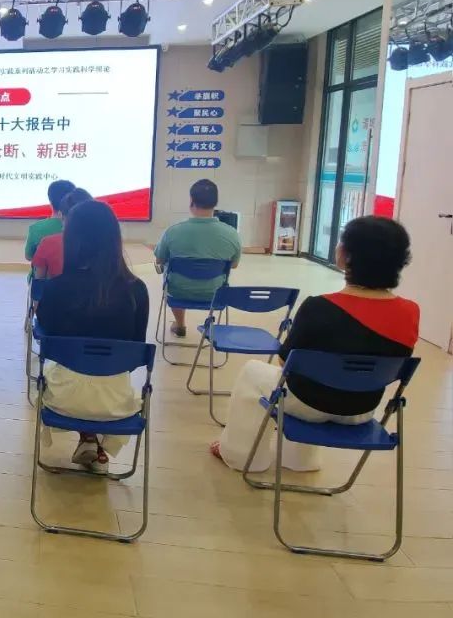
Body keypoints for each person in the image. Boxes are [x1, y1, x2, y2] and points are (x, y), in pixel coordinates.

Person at [212, 216, 419, 472]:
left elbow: (285, 363)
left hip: (307, 405)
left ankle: (242, 457)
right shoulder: (410, 312)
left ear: (344, 256)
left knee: (253, 372)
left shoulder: (318, 307)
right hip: (362, 409)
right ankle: (301, 461)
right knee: (321, 378)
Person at [35, 200, 150, 471]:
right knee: (102, 377)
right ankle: (94, 442)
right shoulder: (136, 290)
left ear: (71, 240)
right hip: (117, 403)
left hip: (63, 400)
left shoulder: (55, 289)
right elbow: (135, 351)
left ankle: (88, 438)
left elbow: (45, 335)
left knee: (69, 371)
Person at [153, 179, 241, 337]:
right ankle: (210, 325)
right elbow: (233, 265)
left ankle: (180, 324)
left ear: (191, 201)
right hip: (215, 294)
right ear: (215, 203)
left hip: (178, 292)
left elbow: (159, 260)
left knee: (169, 271)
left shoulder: (172, 232)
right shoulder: (232, 234)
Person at [32, 188, 93, 279]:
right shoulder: (105, 243)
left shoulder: (48, 243)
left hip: (57, 288)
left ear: (61, 215)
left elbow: (38, 281)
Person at [24, 179, 76, 261]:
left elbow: (29, 256)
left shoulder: (36, 228)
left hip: (44, 269)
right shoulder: (83, 228)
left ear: (50, 201)